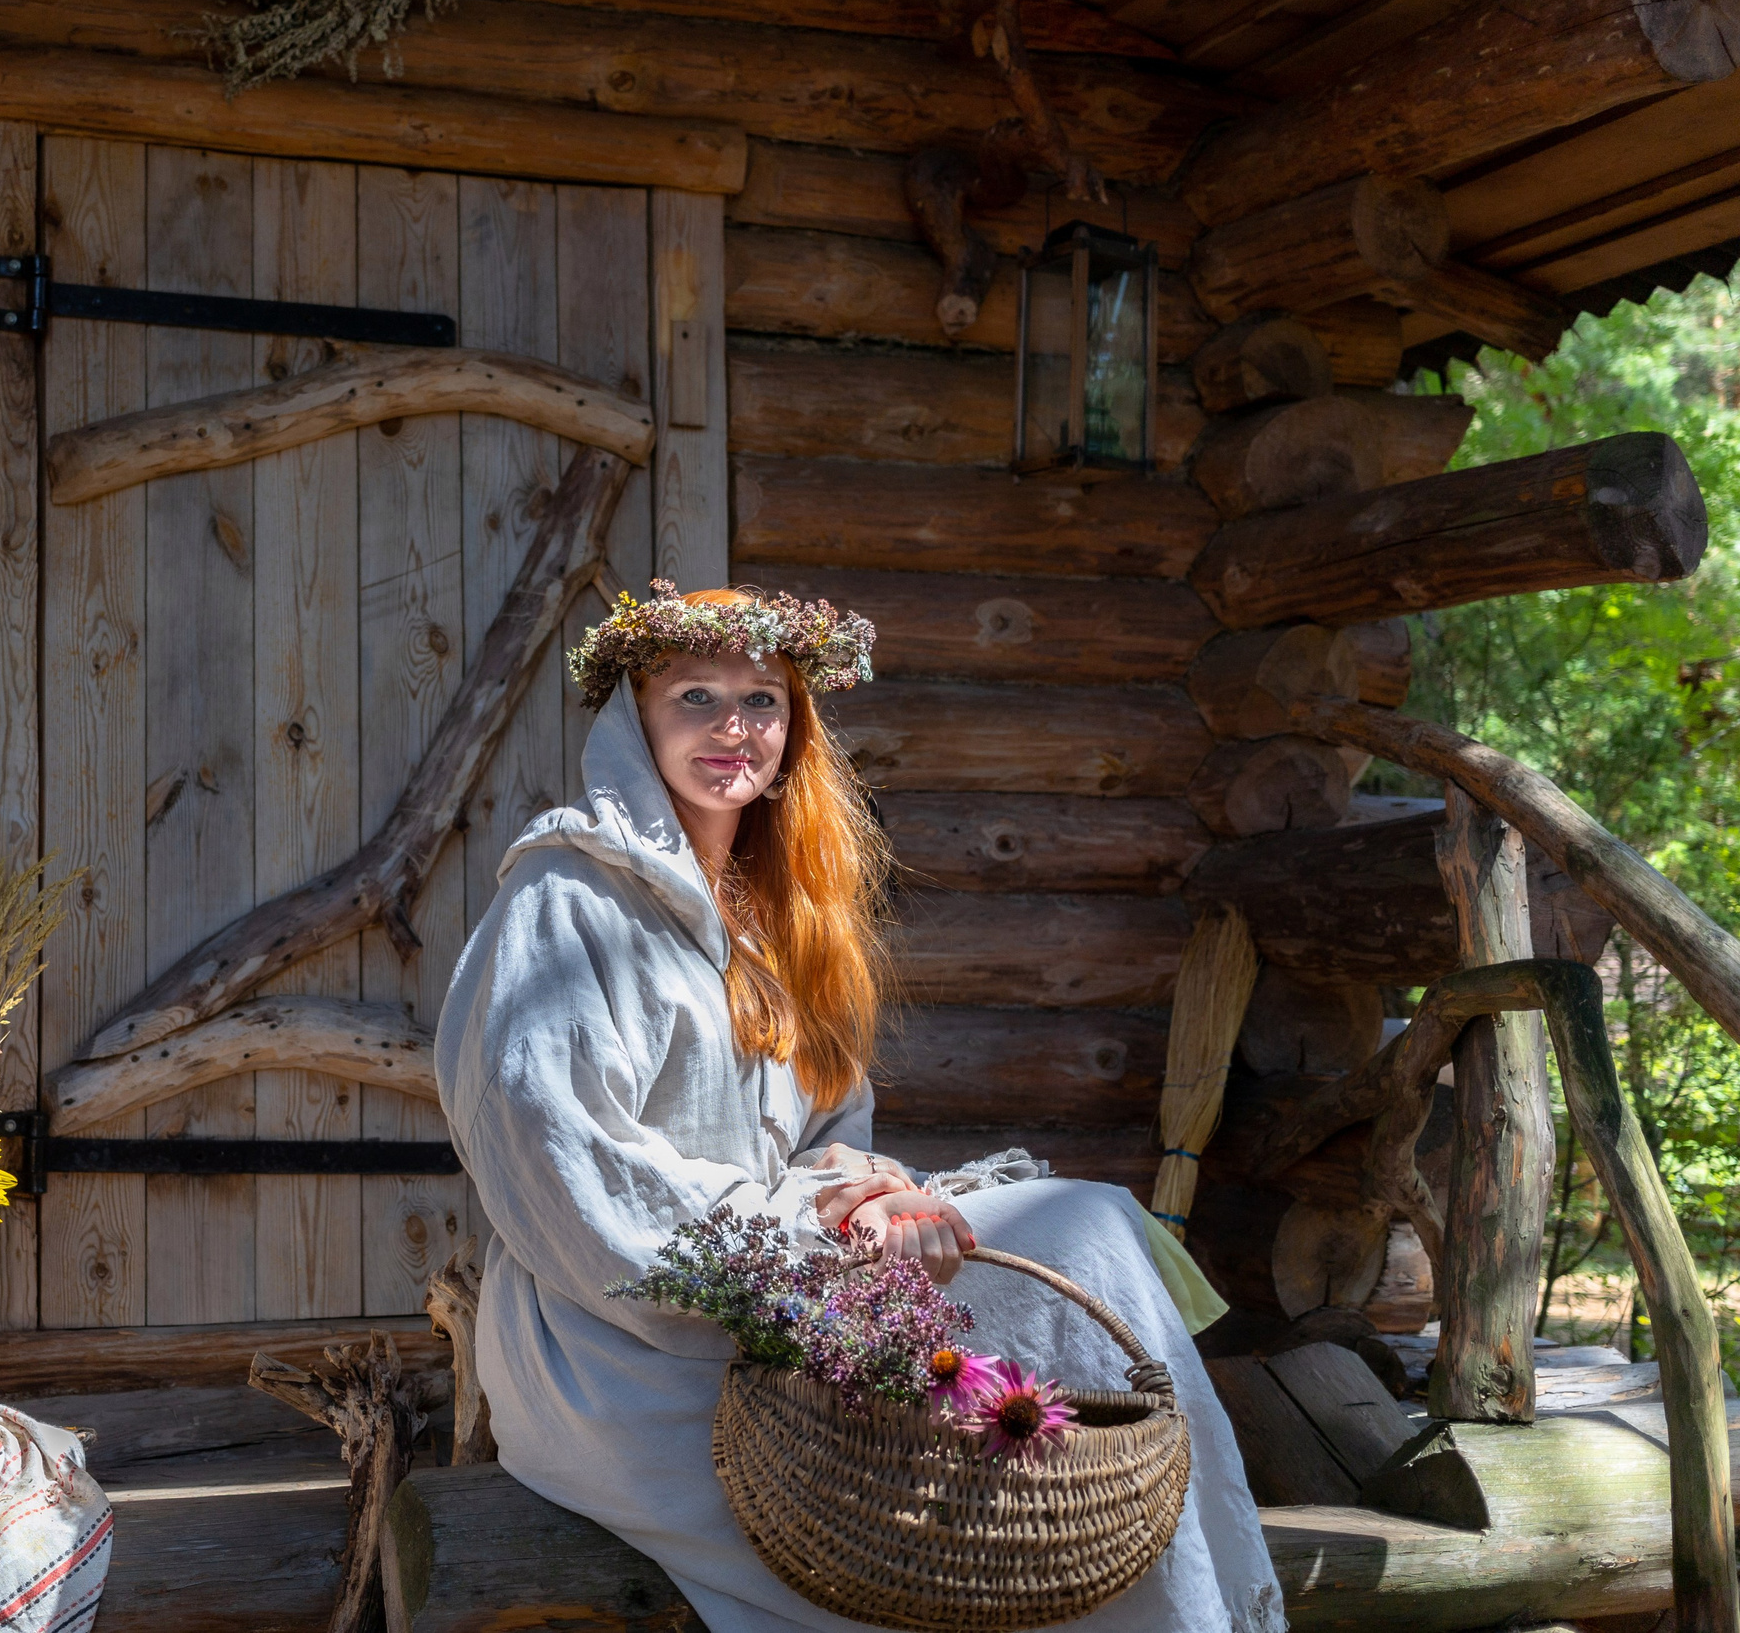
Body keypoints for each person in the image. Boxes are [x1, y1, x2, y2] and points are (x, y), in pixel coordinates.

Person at [433, 582, 1281, 1633]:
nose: (734, 728)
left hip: (800, 1290)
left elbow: (831, 1136)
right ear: (631, 718)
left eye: (762, 701)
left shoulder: (779, 914)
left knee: (1091, 1227)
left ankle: (1146, 1577)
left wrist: (864, 1193)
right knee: (1076, 1235)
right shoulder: (569, 897)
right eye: (696, 697)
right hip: (620, 1342)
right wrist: (815, 1223)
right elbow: (565, 1166)